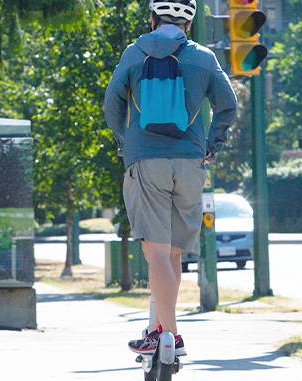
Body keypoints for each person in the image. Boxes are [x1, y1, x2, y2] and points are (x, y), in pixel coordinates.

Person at [104, 0, 237, 355]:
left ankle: (171, 336)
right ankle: (155, 330)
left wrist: (126, 141)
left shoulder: (135, 53)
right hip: (191, 161)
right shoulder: (204, 58)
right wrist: (213, 144)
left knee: (157, 253)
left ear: (151, 19)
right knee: (174, 253)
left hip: (148, 162)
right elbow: (229, 105)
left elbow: (111, 103)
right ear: (189, 25)